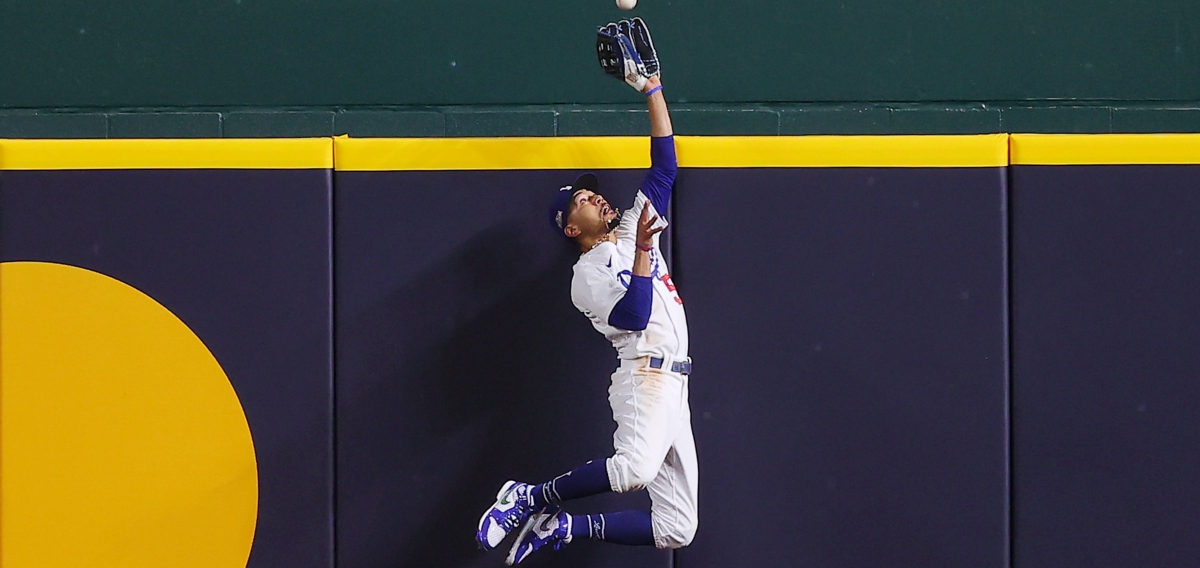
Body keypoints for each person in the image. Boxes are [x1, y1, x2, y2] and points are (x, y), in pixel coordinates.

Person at [475, 18, 697, 566]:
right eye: (582, 200)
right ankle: (526, 497)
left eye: (593, 195)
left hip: (677, 382)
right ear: (571, 228)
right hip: (643, 375)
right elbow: (636, 313)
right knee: (632, 472)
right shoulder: (586, 276)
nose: (595, 199)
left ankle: (563, 527)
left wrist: (653, 91)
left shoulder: (628, 228)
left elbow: (665, 167)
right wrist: (645, 251)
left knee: (678, 528)